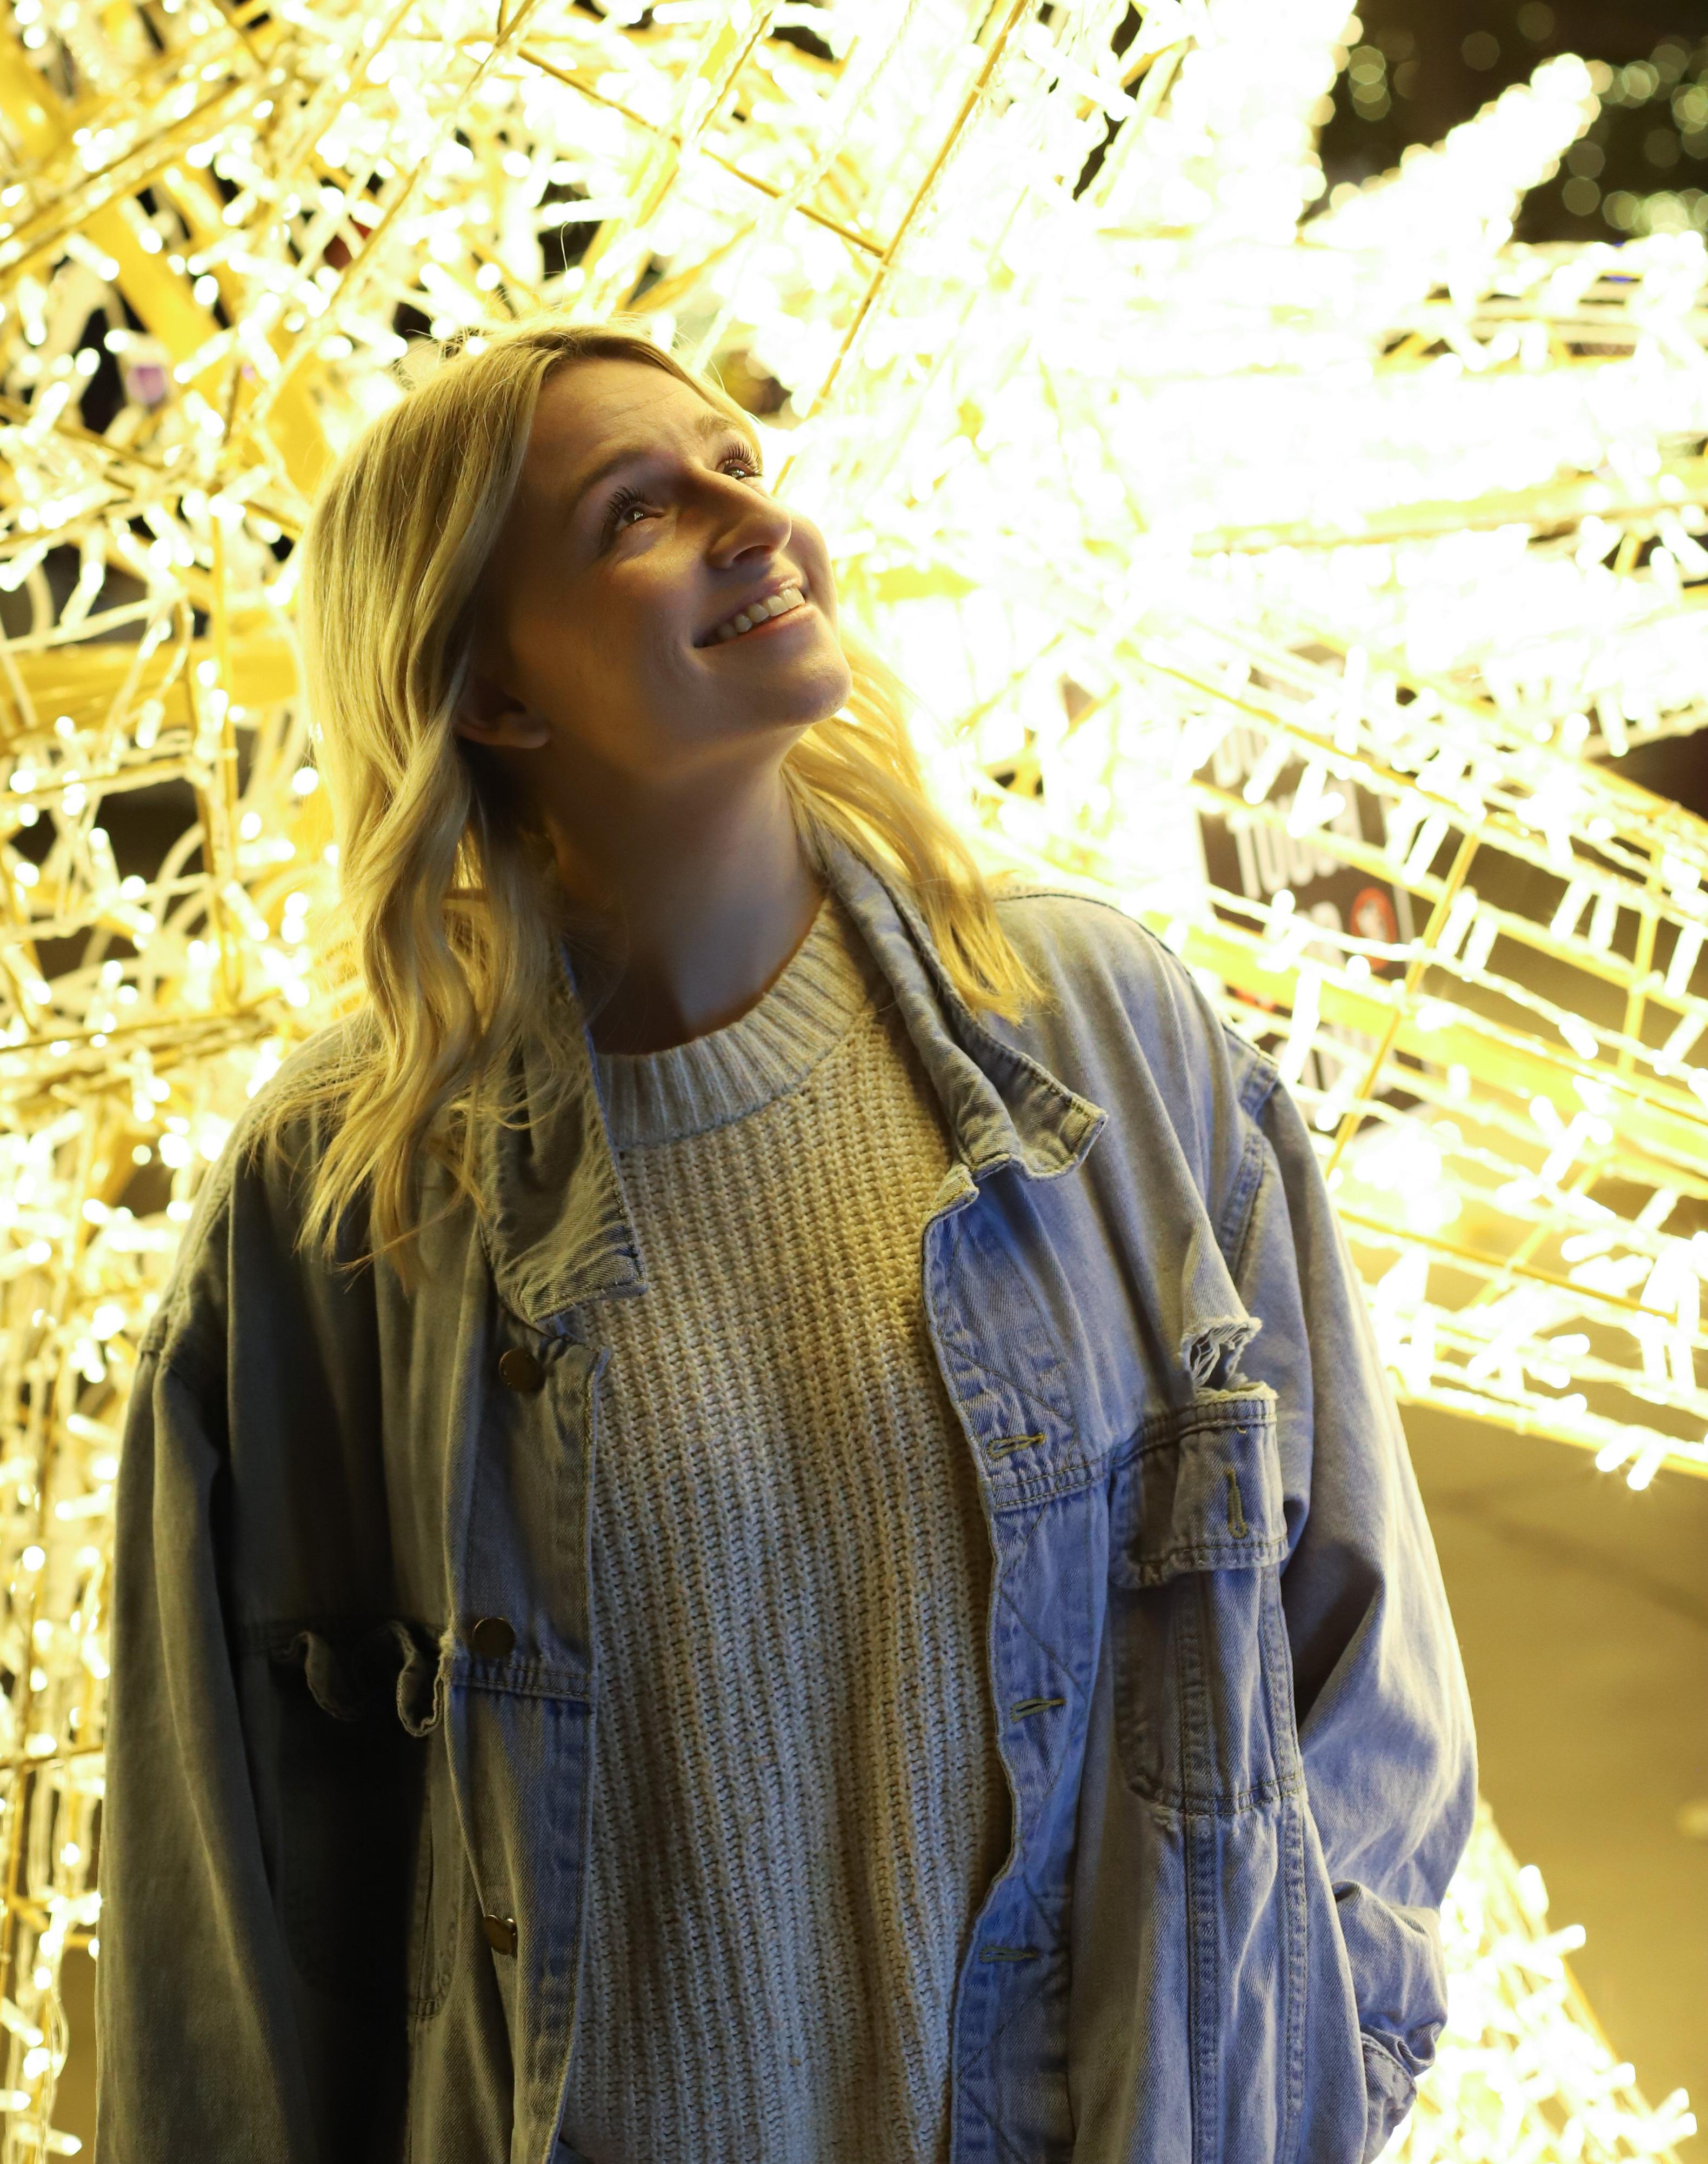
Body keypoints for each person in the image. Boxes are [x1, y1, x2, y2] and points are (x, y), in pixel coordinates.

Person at [93, 318, 1476, 2164]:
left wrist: (1319, 2087)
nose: (749, 514)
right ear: (494, 696)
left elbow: (1359, 1645)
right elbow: (230, 1921)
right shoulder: (340, 1213)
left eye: (737, 458)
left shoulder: (1102, 1035)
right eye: (637, 511)